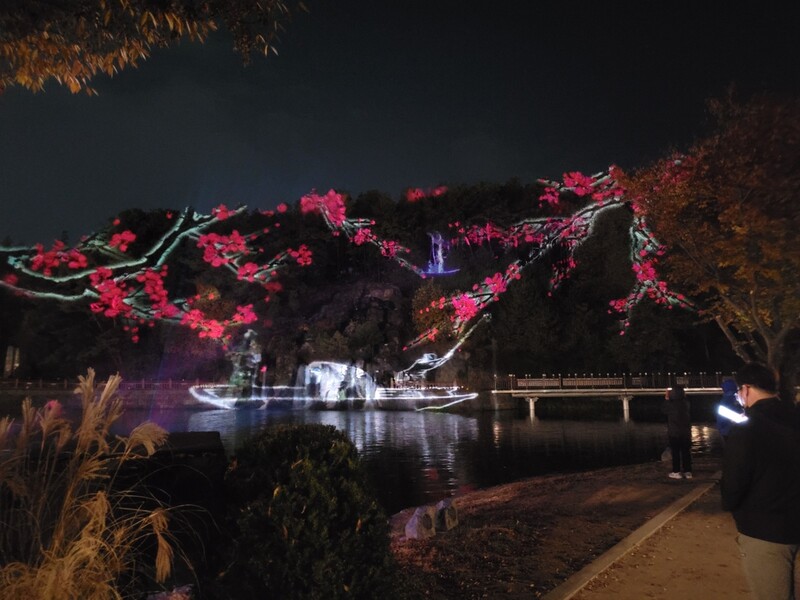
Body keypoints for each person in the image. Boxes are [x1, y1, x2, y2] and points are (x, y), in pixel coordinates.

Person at [721, 362, 800, 600]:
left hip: (765, 528)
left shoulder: (746, 429)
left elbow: (733, 485)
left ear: (745, 389)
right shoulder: (795, 417)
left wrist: (730, 504)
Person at [662, 384, 692, 479]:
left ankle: (676, 472)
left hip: (674, 433)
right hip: (686, 433)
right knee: (686, 452)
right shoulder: (686, 404)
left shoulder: (670, 404)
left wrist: (667, 397)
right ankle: (688, 472)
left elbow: (664, 410)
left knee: (675, 453)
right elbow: (684, 398)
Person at [715, 378, 742, 443]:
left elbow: (720, 419)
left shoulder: (724, 401)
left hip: (727, 431)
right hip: (740, 431)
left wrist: (720, 429)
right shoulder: (740, 399)